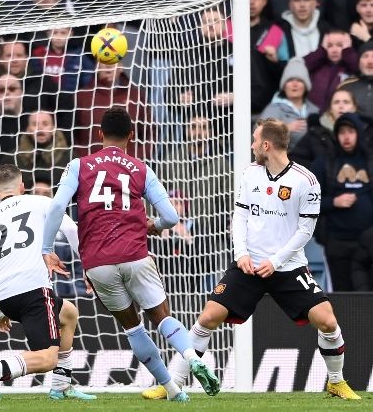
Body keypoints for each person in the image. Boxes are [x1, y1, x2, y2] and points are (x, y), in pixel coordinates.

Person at [159, 118, 361, 400]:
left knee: (327, 321)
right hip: (249, 264)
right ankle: (174, 383)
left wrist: (276, 262)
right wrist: (240, 252)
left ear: (266, 145)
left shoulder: (306, 181)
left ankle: (336, 382)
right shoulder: (250, 173)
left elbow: (306, 230)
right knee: (208, 317)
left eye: (255, 140)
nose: (252, 145)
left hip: (287, 266)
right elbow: (239, 216)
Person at [41, 107, 219, 402]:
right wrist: (155, 225)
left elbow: (57, 207)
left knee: (133, 327)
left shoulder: (79, 165)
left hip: (98, 262)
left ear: (100, 134)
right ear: (131, 136)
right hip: (136, 255)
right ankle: (191, 356)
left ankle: (173, 391)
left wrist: (46, 249)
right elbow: (172, 217)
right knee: (162, 318)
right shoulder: (141, 168)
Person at [0, 165, 96, 402]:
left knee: (68, 314)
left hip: (5, 297)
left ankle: (61, 386)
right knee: (48, 358)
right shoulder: (40, 202)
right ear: (22, 187)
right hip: (34, 289)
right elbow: (72, 230)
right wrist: (87, 267)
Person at [311, 113, 373, 292]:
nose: (346, 137)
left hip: (368, 242)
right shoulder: (325, 162)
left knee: (367, 295)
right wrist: (334, 202)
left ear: (359, 133)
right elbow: (307, 201)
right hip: (337, 242)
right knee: (342, 296)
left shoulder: (369, 160)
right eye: (342, 132)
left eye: (351, 131)